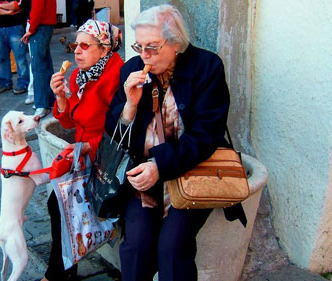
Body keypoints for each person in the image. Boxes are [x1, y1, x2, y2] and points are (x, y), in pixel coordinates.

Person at [104, 4, 246, 281]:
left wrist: (161, 165)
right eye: (139, 46)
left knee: (172, 248)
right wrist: (130, 107)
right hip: (144, 176)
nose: (144, 55)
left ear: (176, 43)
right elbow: (113, 134)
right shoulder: (132, 69)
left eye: (153, 47)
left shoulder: (207, 67)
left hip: (193, 172)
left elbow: (206, 134)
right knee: (136, 245)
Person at [46, 19, 123, 281]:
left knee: (61, 203)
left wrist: (90, 146)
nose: (77, 51)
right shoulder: (82, 74)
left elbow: (122, 132)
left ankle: (59, 273)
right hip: (85, 156)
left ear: (104, 49)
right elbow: (70, 122)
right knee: (59, 202)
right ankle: (63, 271)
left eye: (84, 45)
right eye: (75, 45)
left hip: (107, 160)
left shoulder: (115, 76)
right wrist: (60, 97)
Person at [21, 0, 56, 118]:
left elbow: (38, 7)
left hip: (40, 25)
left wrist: (31, 29)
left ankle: (42, 105)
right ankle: (50, 100)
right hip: (45, 24)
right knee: (45, 64)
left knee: (38, 67)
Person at [0, 0, 30, 96]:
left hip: (16, 26)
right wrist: (8, 11)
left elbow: (17, 5)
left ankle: (23, 83)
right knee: (2, 57)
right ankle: (5, 82)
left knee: (20, 58)